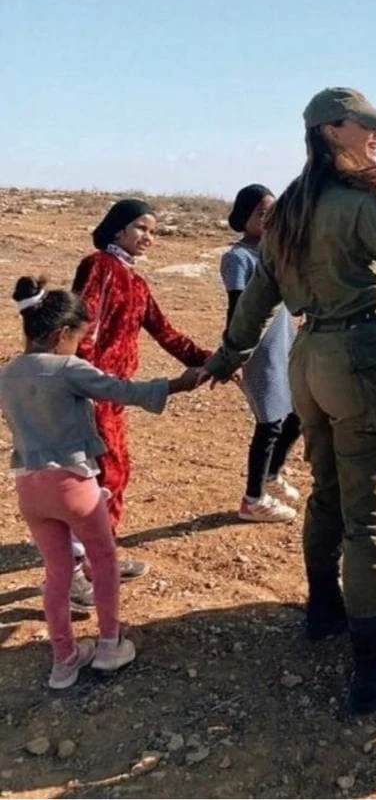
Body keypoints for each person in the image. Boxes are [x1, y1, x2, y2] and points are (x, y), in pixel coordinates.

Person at [199, 87, 376, 713]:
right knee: (370, 518)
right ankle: (371, 671)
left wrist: (227, 356)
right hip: (360, 362)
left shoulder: (291, 204)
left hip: (309, 360)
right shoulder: (352, 203)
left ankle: (324, 611)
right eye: (365, 126)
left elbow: (261, 293)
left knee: (326, 491)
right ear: (331, 131)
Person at [0, 277, 200, 689]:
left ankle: (64, 661)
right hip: (73, 481)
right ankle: (109, 645)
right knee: (103, 560)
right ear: (60, 334)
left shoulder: (9, 373)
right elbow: (121, 390)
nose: (80, 345)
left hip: (28, 485)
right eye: (79, 336)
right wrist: (177, 384)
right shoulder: (68, 368)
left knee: (56, 572)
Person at [72, 199, 211, 582]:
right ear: (118, 229)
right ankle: (78, 571)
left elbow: (164, 331)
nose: (149, 237)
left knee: (113, 474)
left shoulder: (136, 281)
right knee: (101, 475)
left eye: (153, 231)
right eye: (141, 228)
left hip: (115, 394)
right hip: (92, 389)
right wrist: (80, 381)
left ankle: (100, 559)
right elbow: (80, 325)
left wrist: (212, 360)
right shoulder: (99, 266)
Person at [221, 184, 301, 523]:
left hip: (284, 341)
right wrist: (233, 354)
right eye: (260, 212)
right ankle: (253, 499)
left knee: (295, 413)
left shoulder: (273, 253)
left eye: (272, 212)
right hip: (259, 349)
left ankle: (272, 473)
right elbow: (238, 310)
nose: (267, 219)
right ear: (244, 216)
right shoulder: (237, 258)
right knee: (269, 422)